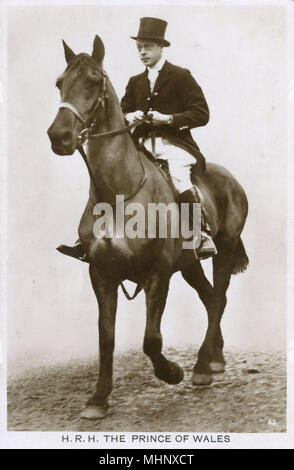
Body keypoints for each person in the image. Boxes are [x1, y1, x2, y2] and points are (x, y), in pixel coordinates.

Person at [57, 17, 217, 261]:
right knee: (107, 175)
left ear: (161, 47)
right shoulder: (135, 82)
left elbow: (201, 113)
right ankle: (88, 239)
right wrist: (129, 115)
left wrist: (168, 119)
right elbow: (120, 112)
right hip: (140, 146)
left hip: (173, 144)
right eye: (139, 47)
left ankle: (200, 233)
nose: (143, 52)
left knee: (179, 176)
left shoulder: (181, 76)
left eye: (148, 47)